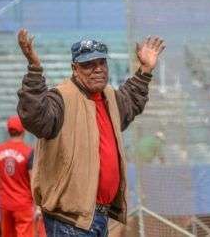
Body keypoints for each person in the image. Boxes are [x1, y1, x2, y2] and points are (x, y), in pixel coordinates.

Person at [16, 28, 165, 236]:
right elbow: (34, 117)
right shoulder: (61, 98)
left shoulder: (110, 97)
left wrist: (145, 70)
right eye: (88, 64)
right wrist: (34, 69)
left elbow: (131, 101)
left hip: (100, 216)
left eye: (101, 63)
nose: (97, 69)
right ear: (74, 68)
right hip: (69, 220)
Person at [0, 115, 36, 237]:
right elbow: (33, 180)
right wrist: (36, 205)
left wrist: (1, 195)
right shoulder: (29, 152)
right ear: (23, 130)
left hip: (4, 203)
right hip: (23, 204)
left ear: (8, 130)